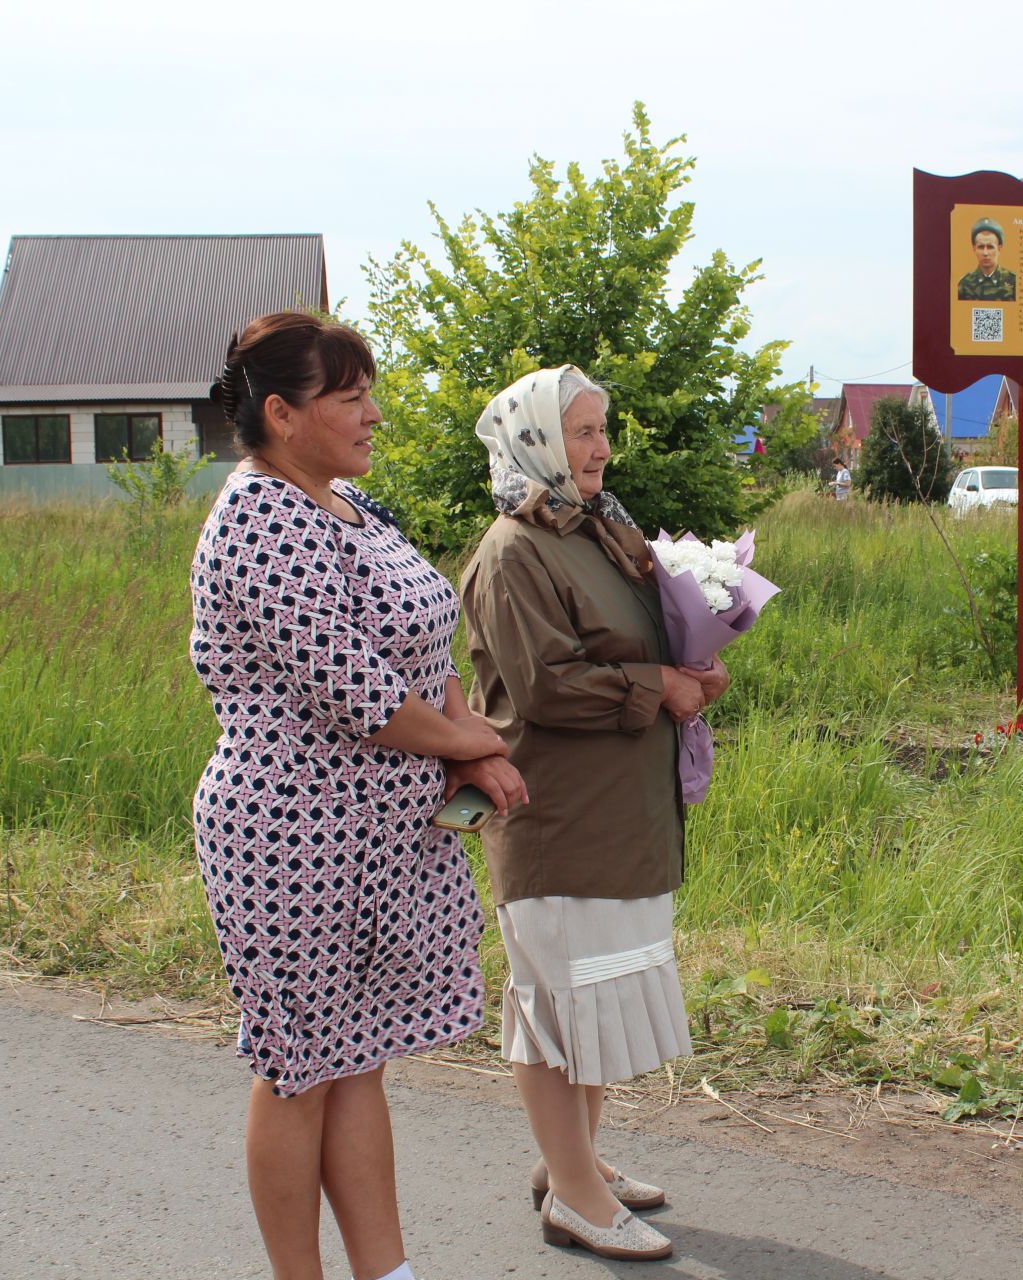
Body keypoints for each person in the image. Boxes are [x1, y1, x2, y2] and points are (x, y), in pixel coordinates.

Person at [189, 311, 523, 1280]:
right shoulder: (258, 515)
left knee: (358, 1056)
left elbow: (427, 651)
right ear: (285, 414)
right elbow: (362, 693)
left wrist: (465, 750)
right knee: (299, 1067)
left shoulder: (350, 507)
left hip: (381, 828)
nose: (375, 413)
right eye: (351, 398)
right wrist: (479, 743)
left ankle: (389, 1271)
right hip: (291, 827)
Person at [460, 365, 729, 1262]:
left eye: (602, 429)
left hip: (620, 809)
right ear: (534, 439)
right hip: (558, 814)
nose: (601, 447)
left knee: (596, 997)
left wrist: (695, 663)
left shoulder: (597, 529)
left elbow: (639, 645)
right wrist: (658, 684)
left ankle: (572, 1161)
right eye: (580, 431)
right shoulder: (511, 549)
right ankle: (572, 1194)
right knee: (554, 1005)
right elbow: (543, 686)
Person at [956, 218, 1018, 301]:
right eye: (981, 247)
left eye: (990, 247)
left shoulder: (1014, 282)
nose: (985, 253)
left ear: (999, 249)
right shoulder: (964, 284)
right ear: (974, 249)